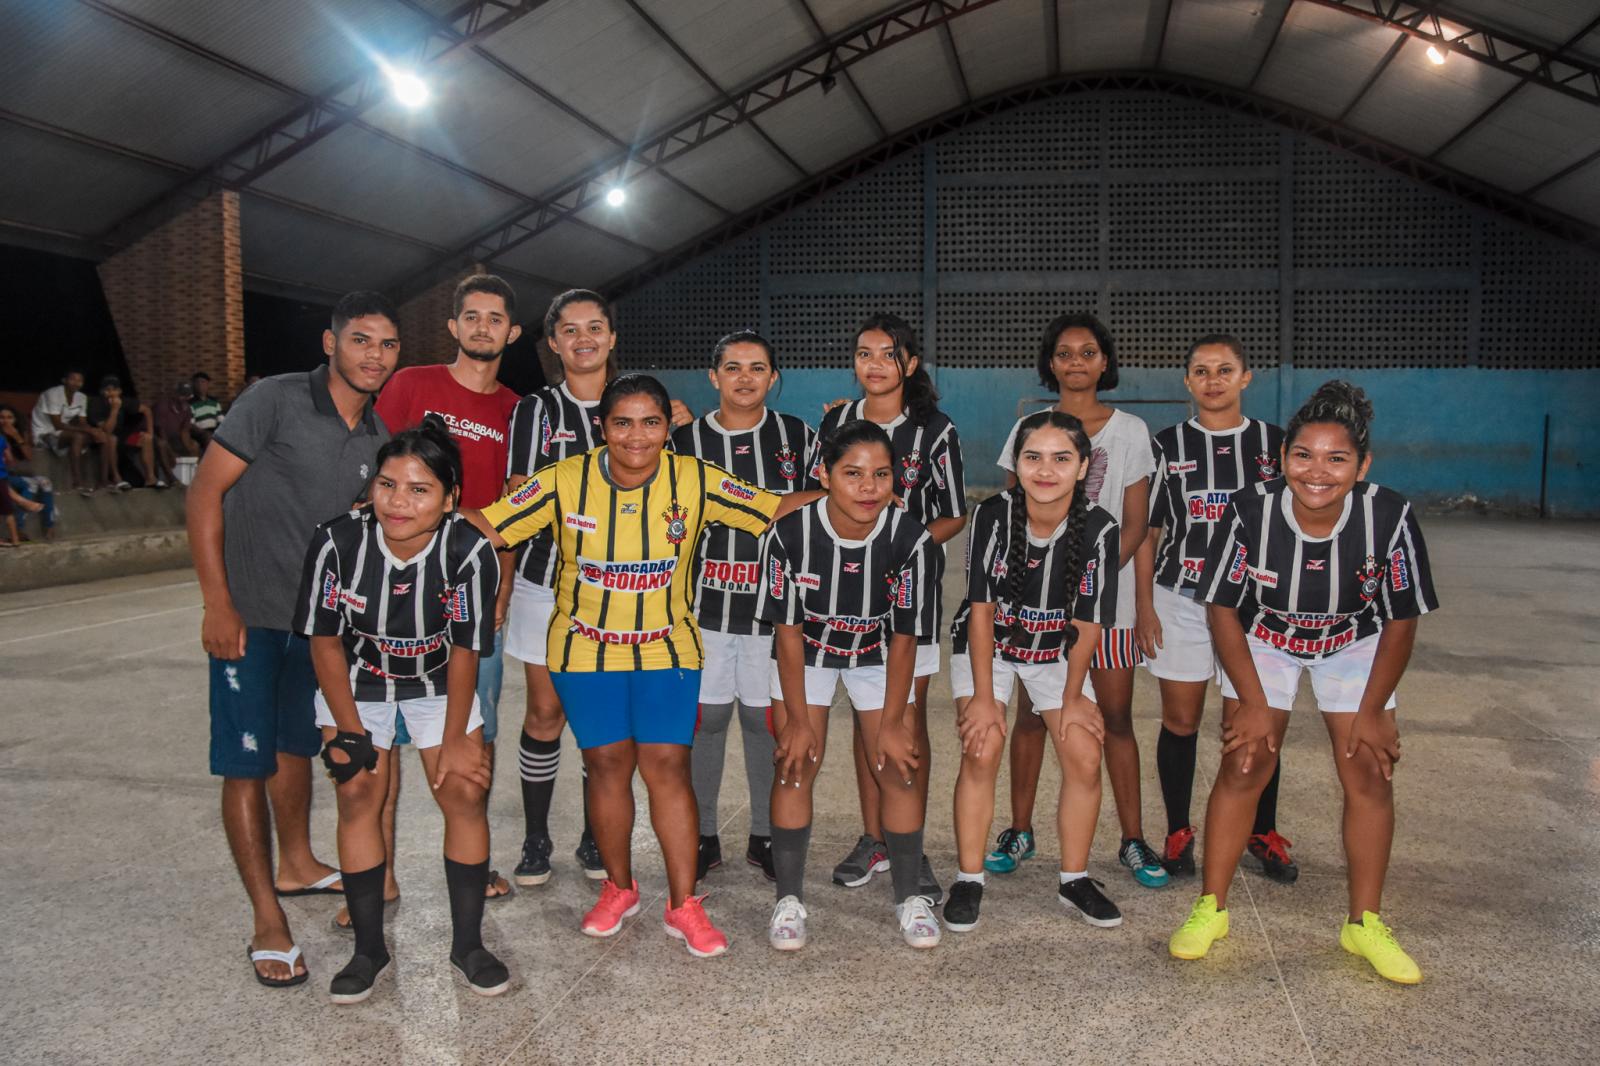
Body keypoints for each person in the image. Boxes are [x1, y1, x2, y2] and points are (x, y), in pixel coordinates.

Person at [468, 374, 814, 958]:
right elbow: (490, 522)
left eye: (651, 422)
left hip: (666, 648)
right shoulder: (563, 481)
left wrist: (853, 501)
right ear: (602, 428)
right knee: (605, 765)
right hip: (584, 650)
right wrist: (408, 513)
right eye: (622, 422)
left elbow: (774, 507)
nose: (637, 436)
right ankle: (619, 890)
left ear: (668, 427)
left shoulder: (696, 479)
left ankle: (683, 905)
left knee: (667, 767)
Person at [1169, 381, 1437, 985]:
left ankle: (1364, 922)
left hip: (1356, 641)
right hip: (1264, 638)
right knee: (1245, 761)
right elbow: (1222, 610)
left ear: (1362, 465)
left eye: (1337, 458)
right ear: (1282, 457)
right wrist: (1256, 704)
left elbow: (1400, 620)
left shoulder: (1388, 515)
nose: (1318, 472)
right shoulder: (1249, 509)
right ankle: (1211, 908)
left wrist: (1372, 709)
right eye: (1303, 456)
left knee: (1367, 766)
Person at [187, 291, 399, 987]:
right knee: (245, 764)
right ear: (330, 342)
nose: (375, 355)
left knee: (295, 749)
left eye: (388, 345)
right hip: (248, 619)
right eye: (362, 340)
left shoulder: (376, 435)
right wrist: (219, 603)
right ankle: (266, 920)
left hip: (317, 632)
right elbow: (204, 495)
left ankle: (299, 863)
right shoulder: (273, 400)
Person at [295, 417, 509, 1003]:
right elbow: (324, 640)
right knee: (358, 790)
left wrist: (463, 735)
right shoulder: (337, 541)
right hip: (359, 681)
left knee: (463, 789)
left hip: (441, 683)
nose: (398, 502)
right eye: (388, 485)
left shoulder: (468, 548)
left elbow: (467, 650)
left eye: (419, 489)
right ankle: (368, 949)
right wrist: (348, 728)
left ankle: (468, 943)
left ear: (449, 499)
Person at [503, 290, 691, 887]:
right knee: (546, 710)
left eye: (595, 327)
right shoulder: (536, 410)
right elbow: (514, 498)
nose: (583, 338)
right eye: (569, 329)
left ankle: (595, 835)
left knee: (603, 725)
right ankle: (536, 838)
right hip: (547, 583)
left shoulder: (654, 407)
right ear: (553, 342)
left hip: (636, 592)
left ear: (612, 337)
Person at [354, 273, 525, 925]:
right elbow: (375, 482)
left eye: (495, 318)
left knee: (472, 735)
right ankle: (379, 875)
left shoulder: (517, 410)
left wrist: (502, 584)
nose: (483, 327)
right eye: (471, 317)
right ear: (453, 326)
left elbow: (517, 509)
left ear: (511, 332)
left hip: (471, 598)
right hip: (391, 598)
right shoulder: (409, 387)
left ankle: (472, 869)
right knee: (382, 741)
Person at [990, 314, 1166, 889]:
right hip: (1032, 608)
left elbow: (1138, 524)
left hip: (1101, 602)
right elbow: (1010, 517)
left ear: (1104, 363)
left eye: (1088, 352)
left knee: (1111, 719)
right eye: (1064, 353)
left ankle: (1133, 839)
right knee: (1033, 718)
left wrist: (1089, 581)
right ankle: (1019, 830)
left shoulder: (1133, 432)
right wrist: (1044, 585)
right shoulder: (1030, 429)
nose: (1075, 361)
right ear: (1050, 363)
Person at [764, 419, 945, 951]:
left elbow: (907, 638)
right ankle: (789, 900)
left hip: (877, 652)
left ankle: (909, 897)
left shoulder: (910, 539)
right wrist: (797, 720)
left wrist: (892, 723)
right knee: (796, 764)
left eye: (881, 474)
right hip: (809, 652)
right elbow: (788, 634)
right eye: (853, 474)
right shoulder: (790, 534)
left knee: (899, 768)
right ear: (824, 475)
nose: (868, 487)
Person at [807, 313, 965, 903]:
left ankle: (909, 844)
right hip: (838, 599)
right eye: (864, 353)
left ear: (910, 364)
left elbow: (953, 512)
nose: (874, 363)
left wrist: (905, 545)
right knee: (863, 721)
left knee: (903, 725)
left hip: (905, 602)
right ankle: (874, 836)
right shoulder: (835, 422)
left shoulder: (935, 431)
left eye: (887, 354)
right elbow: (814, 500)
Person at [946, 411, 1122, 932]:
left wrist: (1072, 698)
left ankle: (1074, 879)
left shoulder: (1101, 527)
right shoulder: (993, 515)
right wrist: (983, 696)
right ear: (1016, 464)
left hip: (1057, 652)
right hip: (988, 646)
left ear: (1083, 466)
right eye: (1033, 457)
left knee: (1085, 755)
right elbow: (979, 610)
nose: (1046, 470)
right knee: (982, 745)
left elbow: (1089, 624)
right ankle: (969, 879)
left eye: (1061, 458)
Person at [1139, 335, 1296, 881]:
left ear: (1246, 377)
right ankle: (1179, 830)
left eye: (1224, 369)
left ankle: (1261, 829)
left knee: (1251, 721)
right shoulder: (1165, 446)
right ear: (1187, 381)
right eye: (1201, 371)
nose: (1213, 380)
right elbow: (1149, 529)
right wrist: (1143, 606)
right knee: (1180, 721)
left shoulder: (1276, 446)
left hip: (1253, 604)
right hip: (1179, 596)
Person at [672, 330, 814, 883]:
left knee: (764, 723)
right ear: (714, 377)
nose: (745, 378)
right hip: (701, 606)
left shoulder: (797, 437)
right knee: (705, 723)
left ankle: (764, 834)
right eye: (733, 367)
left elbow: (817, 508)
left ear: (773, 377)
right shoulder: (683, 442)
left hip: (772, 609)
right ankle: (704, 834)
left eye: (758, 368)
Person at [29, 368, 106, 496]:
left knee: (107, 438)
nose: (76, 383)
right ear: (64, 380)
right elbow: (57, 424)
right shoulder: (52, 394)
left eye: (80, 380)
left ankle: (104, 481)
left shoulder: (82, 397)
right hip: (44, 433)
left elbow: (82, 421)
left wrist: (95, 432)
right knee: (78, 437)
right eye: (73, 379)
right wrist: (89, 430)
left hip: (65, 432)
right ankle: (77, 483)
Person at [87, 375, 169, 490]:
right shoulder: (96, 403)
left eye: (114, 390)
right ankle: (117, 478)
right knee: (111, 438)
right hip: (101, 439)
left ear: (119, 391)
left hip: (122, 437)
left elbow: (147, 410)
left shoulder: (124, 400)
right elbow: (107, 430)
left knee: (146, 438)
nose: (111, 393)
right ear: (102, 391)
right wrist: (115, 409)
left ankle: (151, 478)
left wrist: (150, 432)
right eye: (107, 390)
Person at [0, 405, 56, 540]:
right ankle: (19, 529)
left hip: (20, 474)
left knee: (46, 482)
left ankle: (50, 527)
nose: (5, 421)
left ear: (15, 420)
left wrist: (16, 436)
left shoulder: (20, 433)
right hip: (6, 476)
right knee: (31, 484)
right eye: (1, 418)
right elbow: (8, 463)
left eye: (9, 418)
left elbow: (29, 456)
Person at [153, 381, 201, 457]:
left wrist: (189, 447)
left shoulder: (187, 408)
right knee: (163, 445)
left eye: (188, 395)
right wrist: (171, 451)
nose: (186, 398)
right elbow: (161, 431)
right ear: (175, 394)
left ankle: (194, 468)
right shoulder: (162, 406)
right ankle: (168, 468)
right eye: (183, 395)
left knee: (194, 445)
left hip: (175, 438)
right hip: (157, 436)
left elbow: (185, 431)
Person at [191, 372, 223, 448]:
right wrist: (204, 432)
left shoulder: (214, 401)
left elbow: (221, 420)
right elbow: (191, 425)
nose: (200, 385)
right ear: (194, 384)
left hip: (214, 431)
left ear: (208, 384)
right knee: (209, 437)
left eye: (203, 382)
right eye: (197, 382)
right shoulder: (190, 403)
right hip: (200, 433)